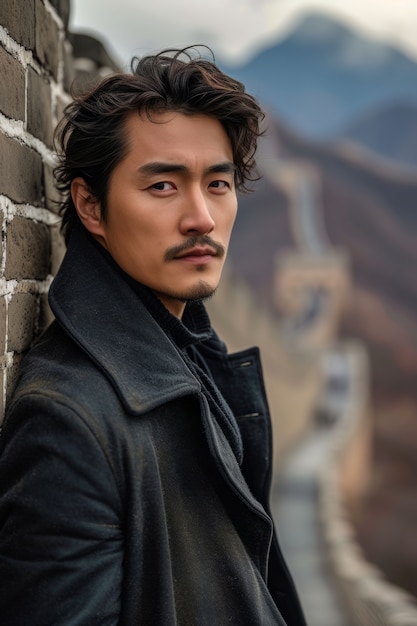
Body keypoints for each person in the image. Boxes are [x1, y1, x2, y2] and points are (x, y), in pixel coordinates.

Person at [0, 47, 306, 625]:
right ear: (91, 205)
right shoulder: (68, 423)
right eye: (163, 186)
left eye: (218, 183)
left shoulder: (187, 357)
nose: (202, 218)